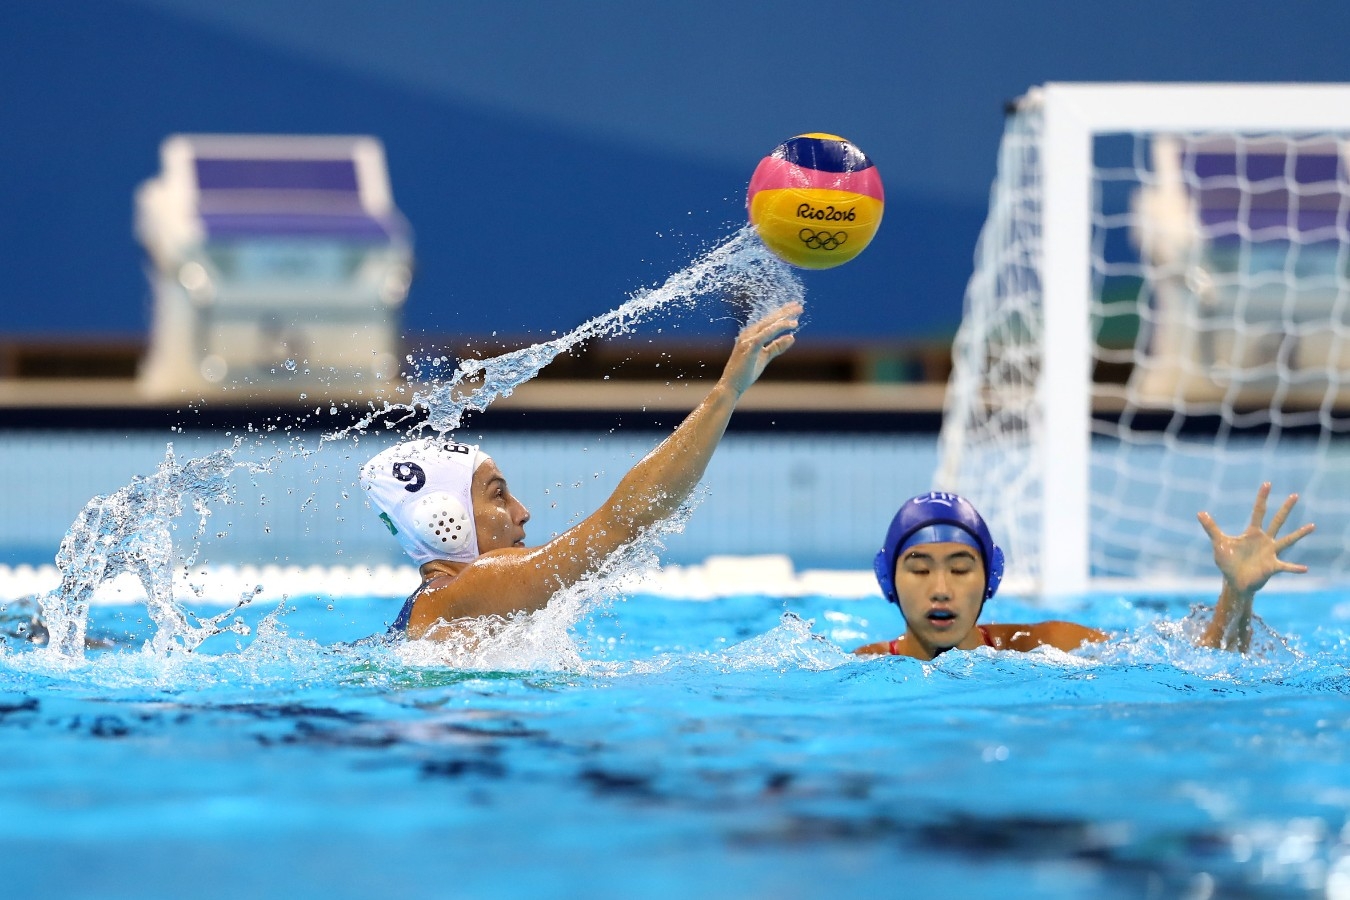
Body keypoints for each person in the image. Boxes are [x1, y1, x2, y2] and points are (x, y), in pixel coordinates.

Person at [361, 301, 802, 641]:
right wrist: (727, 391)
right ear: (444, 522)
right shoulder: (472, 588)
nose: (522, 512)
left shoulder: (436, 608)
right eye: (498, 495)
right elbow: (624, 522)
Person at [854, 483, 1314, 659]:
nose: (940, 589)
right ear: (887, 579)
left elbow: (1208, 667)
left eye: (960, 568)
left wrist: (1237, 594)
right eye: (919, 569)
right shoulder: (865, 665)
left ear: (990, 578)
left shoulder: (1047, 644)